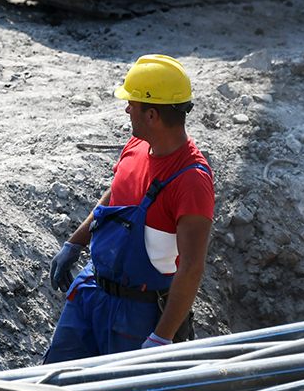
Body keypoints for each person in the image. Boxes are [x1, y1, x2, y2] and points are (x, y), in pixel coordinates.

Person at [45, 55, 215, 361]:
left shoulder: (191, 180)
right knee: (55, 385)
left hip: (137, 314)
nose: (127, 109)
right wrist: (76, 242)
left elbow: (191, 268)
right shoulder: (137, 146)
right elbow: (116, 195)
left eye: (132, 104)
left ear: (151, 115)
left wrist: (161, 337)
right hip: (91, 290)